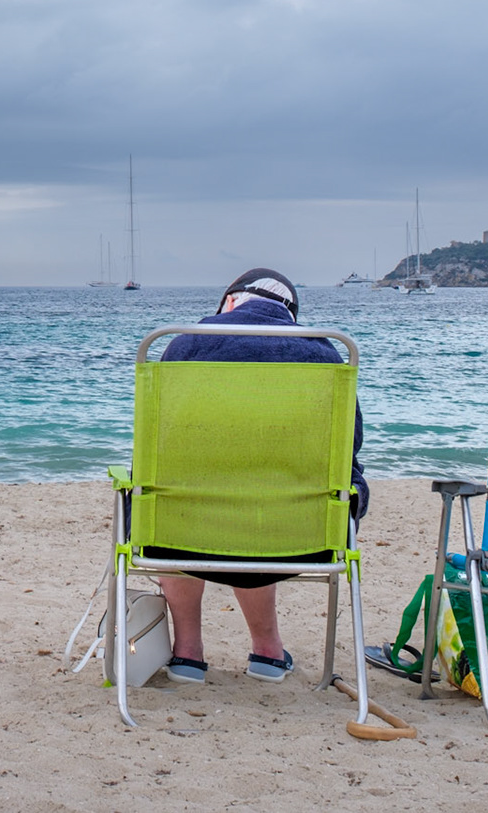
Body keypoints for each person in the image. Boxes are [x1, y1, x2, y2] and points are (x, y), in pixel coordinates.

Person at [152, 268, 369, 685]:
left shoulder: (184, 344)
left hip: (181, 529)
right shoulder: (325, 354)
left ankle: (187, 655)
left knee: (170, 492)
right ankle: (268, 653)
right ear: (288, 314)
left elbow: (161, 441)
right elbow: (349, 447)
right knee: (261, 497)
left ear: (231, 301)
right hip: (298, 535)